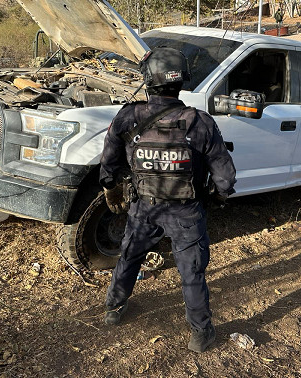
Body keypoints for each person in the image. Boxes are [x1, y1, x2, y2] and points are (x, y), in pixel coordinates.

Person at [99, 47, 237, 353]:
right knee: (191, 271)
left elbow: (108, 164)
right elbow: (225, 176)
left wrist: (112, 187)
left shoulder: (128, 116)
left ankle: (114, 309)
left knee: (130, 257)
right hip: (187, 213)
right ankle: (201, 334)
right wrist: (220, 194)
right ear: (181, 80)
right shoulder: (199, 122)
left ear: (148, 80)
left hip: (144, 210)